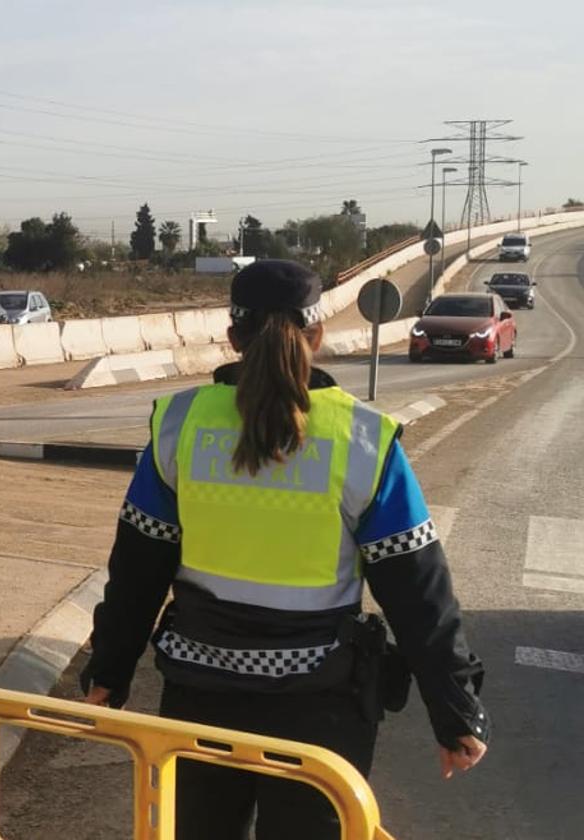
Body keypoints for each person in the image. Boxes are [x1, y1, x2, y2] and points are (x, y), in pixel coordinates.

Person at [81, 259, 489, 840]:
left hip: (200, 694)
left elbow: (137, 566)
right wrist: (456, 713)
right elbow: (418, 590)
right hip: (321, 706)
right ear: (317, 335)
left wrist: (109, 671)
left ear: (232, 337)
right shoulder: (363, 440)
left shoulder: (179, 426)